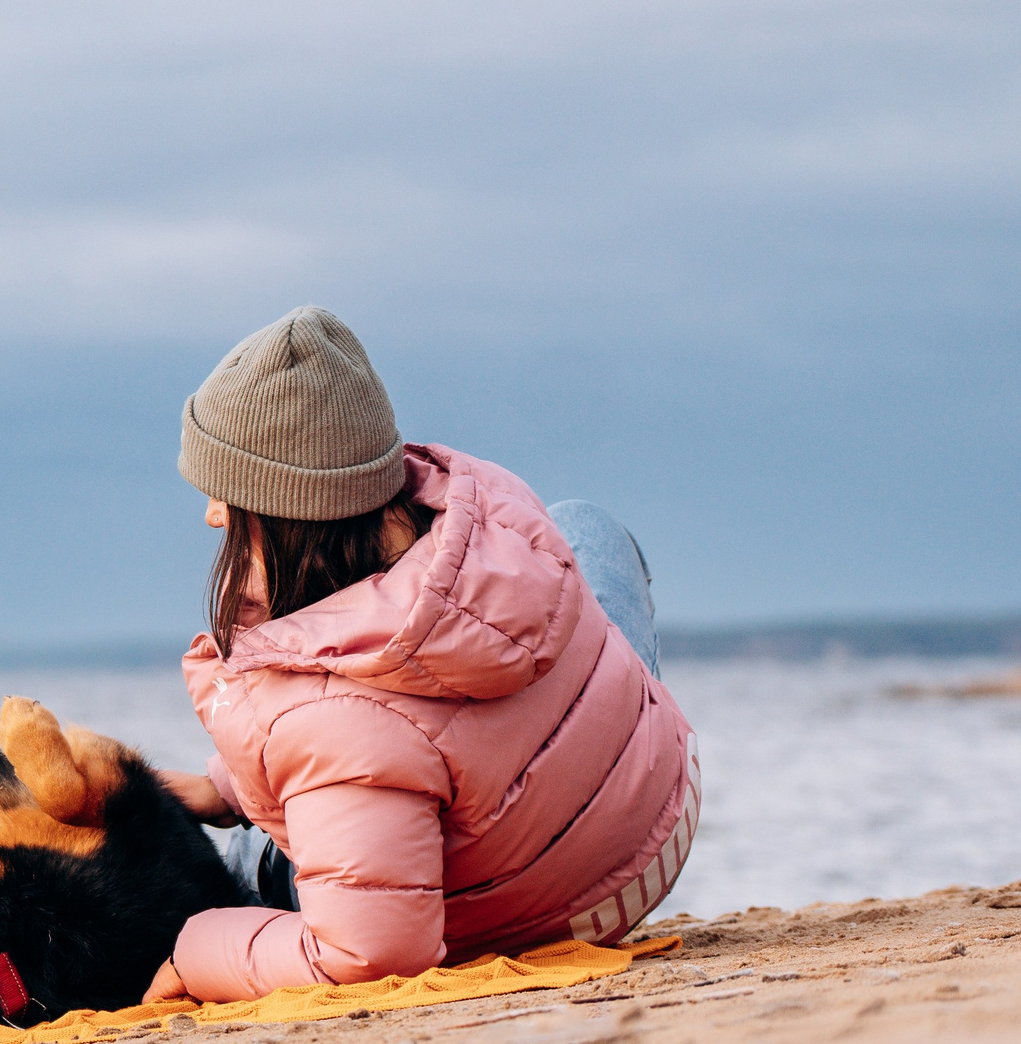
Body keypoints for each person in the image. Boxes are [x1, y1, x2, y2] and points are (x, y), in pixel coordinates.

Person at [130, 307, 698, 1004]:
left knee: (265, 861)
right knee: (583, 525)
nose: (212, 514)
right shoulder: (490, 511)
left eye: (226, 494)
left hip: (565, 908)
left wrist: (194, 949)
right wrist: (228, 787)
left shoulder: (329, 719)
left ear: (284, 508)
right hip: (661, 805)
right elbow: (426, 730)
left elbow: (367, 957)